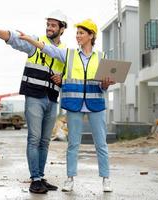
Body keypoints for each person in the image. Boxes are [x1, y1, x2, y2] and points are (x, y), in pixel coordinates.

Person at [18, 18, 115, 192]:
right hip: (74, 105)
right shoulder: (69, 54)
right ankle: (70, 179)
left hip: (96, 105)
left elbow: (102, 86)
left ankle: (106, 179)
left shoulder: (102, 57)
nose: (77, 36)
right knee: (73, 145)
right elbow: (47, 48)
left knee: (101, 144)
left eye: (81, 33)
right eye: (77, 32)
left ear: (91, 36)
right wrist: (29, 39)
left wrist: (106, 84)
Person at [0, 10, 68, 194]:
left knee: (45, 141)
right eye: (48, 24)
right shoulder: (35, 41)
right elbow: (12, 37)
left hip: (52, 98)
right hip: (34, 96)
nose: (49, 28)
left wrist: (62, 79)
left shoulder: (64, 52)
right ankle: (34, 180)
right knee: (34, 139)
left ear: (62, 29)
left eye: (53, 25)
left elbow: (68, 74)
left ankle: (41, 177)